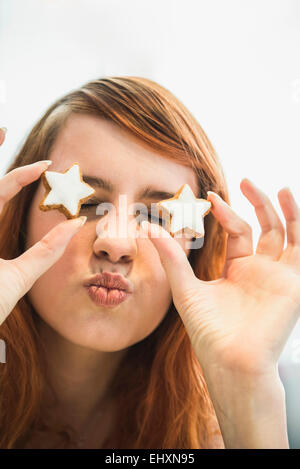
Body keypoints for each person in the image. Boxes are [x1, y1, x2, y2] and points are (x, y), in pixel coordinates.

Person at [0, 77, 299, 449]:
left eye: (157, 217)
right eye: (88, 204)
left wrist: (244, 384)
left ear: (196, 248)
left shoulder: (213, 433)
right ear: (20, 214)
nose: (117, 243)